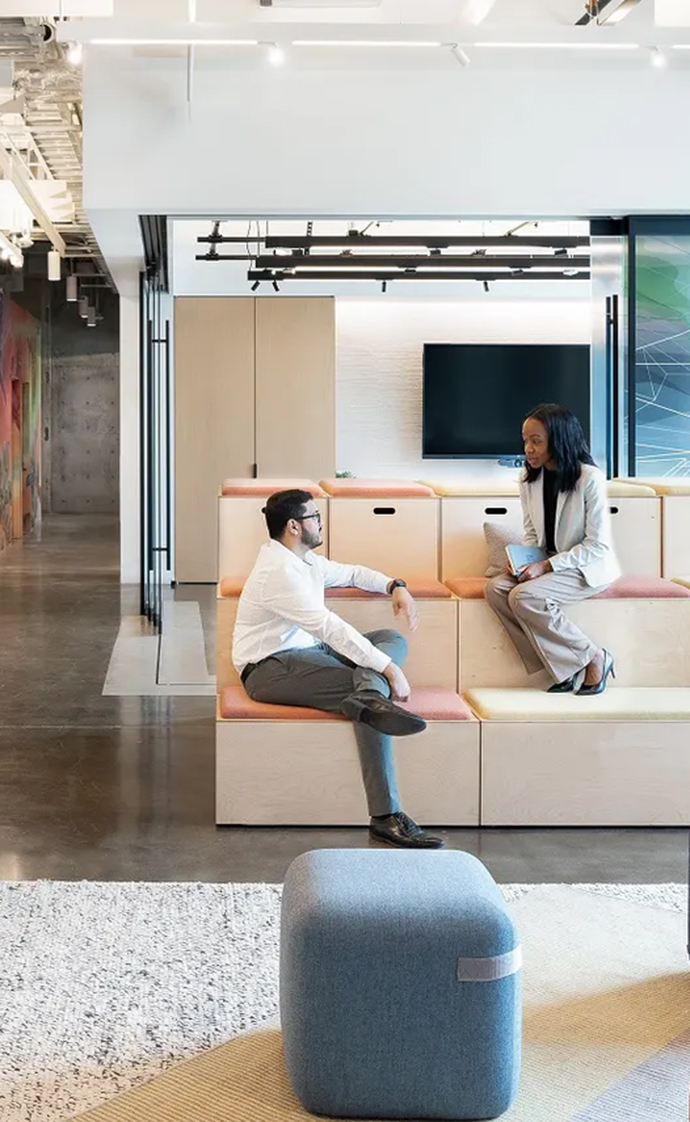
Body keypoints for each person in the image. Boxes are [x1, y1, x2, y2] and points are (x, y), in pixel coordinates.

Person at [232, 488, 444, 849]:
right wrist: (389, 670)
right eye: (315, 516)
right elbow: (329, 626)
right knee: (371, 694)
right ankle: (386, 816)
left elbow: (353, 574)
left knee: (389, 639)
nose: (321, 521)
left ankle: (367, 694)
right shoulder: (277, 571)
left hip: (305, 652)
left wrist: (396, 585)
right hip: (270, 668)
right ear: (295, 526)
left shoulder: (304, 560)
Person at [485, 403, 620, 695]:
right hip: (548, 561)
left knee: (524, 596)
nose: (528, 449)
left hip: (585, 566)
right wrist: (523, 561)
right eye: (525, 440)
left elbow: (598, 545)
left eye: (536, 441)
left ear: (558, 441)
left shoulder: (589, 479)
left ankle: (594, 656)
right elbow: (533, 533)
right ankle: (564, 666)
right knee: (495, 589)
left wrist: (545, 567)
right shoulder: (529, 479)